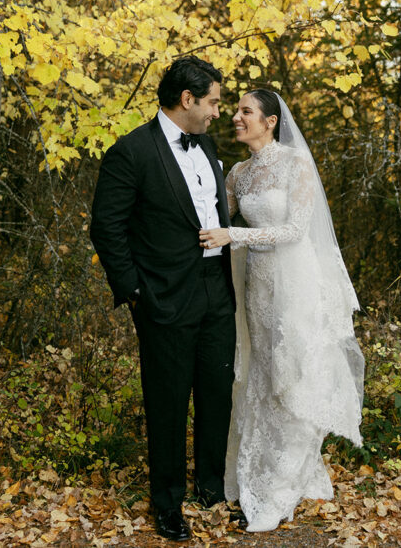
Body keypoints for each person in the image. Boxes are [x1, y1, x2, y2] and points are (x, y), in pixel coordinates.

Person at [198, 89, 364, 532]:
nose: (236, 117)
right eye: (234, 111)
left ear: (270, 121)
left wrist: (236, 235)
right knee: (263, 373)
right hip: (256, 286)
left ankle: (280, 483)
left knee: (293, 371)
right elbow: (214, 214)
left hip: (295, 282)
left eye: (245, 112)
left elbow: (293, 230)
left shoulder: (296, 164)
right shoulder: (236, 173)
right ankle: (262, 468)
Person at [90, 56, 238, 542]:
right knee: (169, 401)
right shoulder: (130, 152)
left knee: (216, 394)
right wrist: (134, 292)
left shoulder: (208, 145)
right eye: (213, 102)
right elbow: (106, 227)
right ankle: (168, 502)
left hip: (218, 291)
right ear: (187, 99)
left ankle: (212, 490)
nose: (220, 111)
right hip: (163, 298)